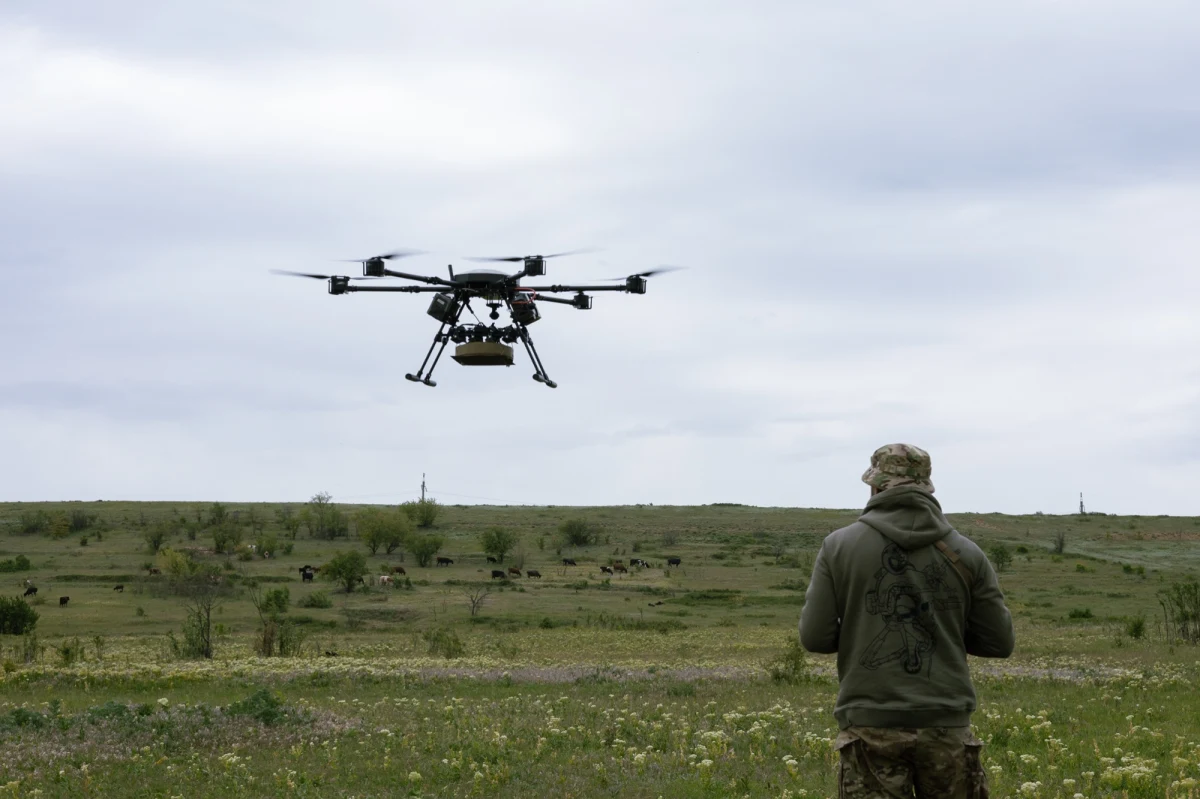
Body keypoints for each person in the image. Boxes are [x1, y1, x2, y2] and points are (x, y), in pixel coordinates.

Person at [800, 443, 1014, 798]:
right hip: (946, 723)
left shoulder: (838, 547)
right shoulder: (968, 552)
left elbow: (815, 637)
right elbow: (999, 643)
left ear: (875, 485)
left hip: (869, 723)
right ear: (927, 487)